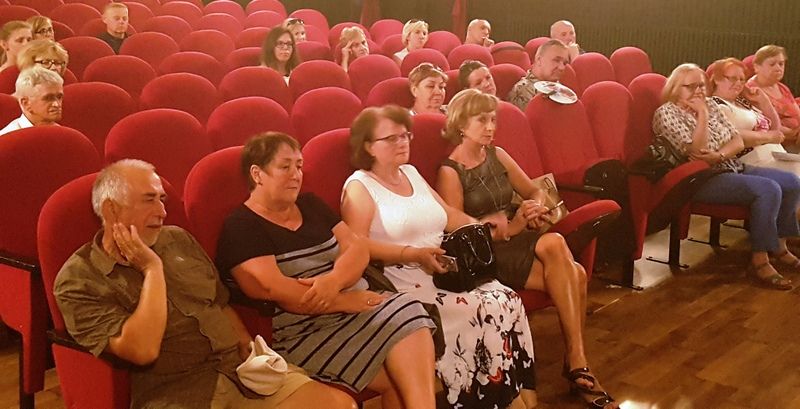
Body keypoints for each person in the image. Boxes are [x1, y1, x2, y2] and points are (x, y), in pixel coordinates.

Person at [54, 159, 358, 409]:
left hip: (239, 371)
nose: (162, 212)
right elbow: (142, 350)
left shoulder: (178, 239)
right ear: (111, 210)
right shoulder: (80, 280)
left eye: (162, 200)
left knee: (341, 404)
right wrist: (152, 269)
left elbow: (219, 301)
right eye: (149, 200)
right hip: (180, 391)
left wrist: (247, 347)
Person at [215, 133, 438, 409]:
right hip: (305, 331)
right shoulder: (242, 226)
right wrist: (343, 301)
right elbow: (272, 287)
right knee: (406, 314)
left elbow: (357, 249)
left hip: (359, 313)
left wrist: (333, 281)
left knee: (403, 359)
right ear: (257, 174)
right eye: (285, 167)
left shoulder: (310, 205)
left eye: (299, 166)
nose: (296, 175)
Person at [341, 105, 537, 409]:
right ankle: (490, 400)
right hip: (402, 281)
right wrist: (413, 254)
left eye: (405, 135)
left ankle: (518, 398)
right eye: (391, 138)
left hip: (444, 270)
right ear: (368, 146)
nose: (402, 142)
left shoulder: (411, 173)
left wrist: (483, 227)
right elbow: (356, 246)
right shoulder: (360, 187)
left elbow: (447, 214)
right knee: (481, 310)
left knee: (506, 299)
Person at [436, 89, 618, 409]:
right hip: (488, 250)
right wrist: (512, 226)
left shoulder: (498, 154)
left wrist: (534, 206)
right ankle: (576, 362)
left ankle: (577, 361)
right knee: (571, 268)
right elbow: (459, 232)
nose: (491, 127)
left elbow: (534, 189)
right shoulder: (450, 171)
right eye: (482, 120)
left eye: (493, 120)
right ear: (461, 125)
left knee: (566, 259)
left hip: (517, 236)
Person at [653, 63, 800, 290]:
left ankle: (780, 245)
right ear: (675, 88)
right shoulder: (667, 113)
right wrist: (702, 115)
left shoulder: (711, 104)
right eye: (690, 86)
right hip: (699, 179)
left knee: (791, 182)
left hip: (729, 165)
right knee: (768, 189)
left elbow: (737, 141)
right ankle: (760, 260)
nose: (698, 91)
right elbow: (697, 151)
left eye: (701, 85)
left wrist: (719, 154)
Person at [708, 57, 797, 173]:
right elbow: (731, 134)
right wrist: (768, 137)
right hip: (752, 160)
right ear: (717, 79)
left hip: (776, 155)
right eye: (733, 78)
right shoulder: (714, 104)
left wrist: (764, 101)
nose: (738, 83)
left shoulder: (742, 102)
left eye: (742, 79)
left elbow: (776, 130)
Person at [747, 45, 800, 147]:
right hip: (773, 145)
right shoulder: (751, 91)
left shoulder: (782, 87)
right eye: (772, 64)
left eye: (781, 64)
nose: (778, 68)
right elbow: (763, 124)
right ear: (756, 67)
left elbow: (797, 114)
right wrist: (794, 133)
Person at [508, 39, 570, 111]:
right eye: (556, 60)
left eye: (565, 63)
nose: (562, 67)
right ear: (539, 60)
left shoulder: (561, 89)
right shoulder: (522, 90)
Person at [0, 66, 63, 136]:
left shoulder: (63, 134)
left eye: (59, 97)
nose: (57, 104)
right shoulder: (7, 138)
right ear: (26, 103)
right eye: (48, 98)